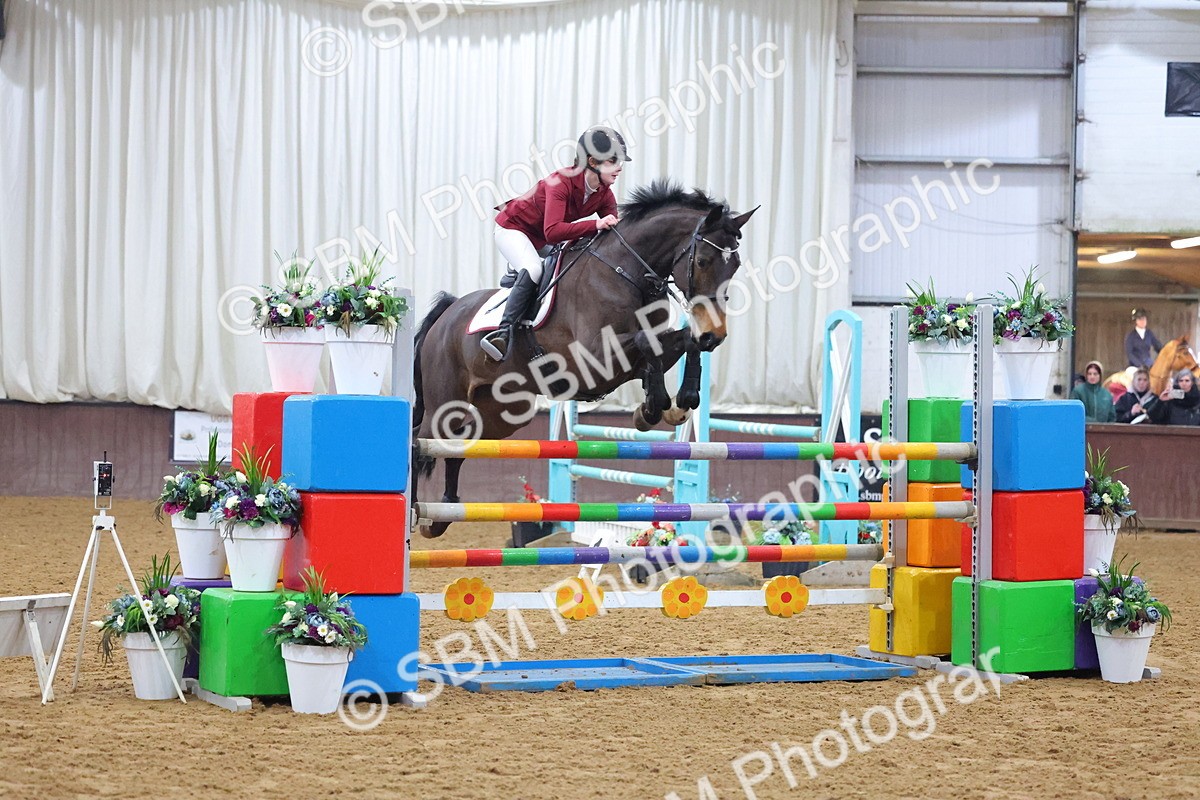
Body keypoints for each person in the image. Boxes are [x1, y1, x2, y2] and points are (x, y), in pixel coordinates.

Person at [481, 126, 630, 361]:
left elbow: (616, 234)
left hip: (541, 237)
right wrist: (595, 225)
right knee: (533, 269)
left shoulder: (604, 193)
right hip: (514, 229)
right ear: (591, 161)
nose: (620, 167)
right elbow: (553, 232)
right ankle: (504, 333)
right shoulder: (560, 183)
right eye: (613, 161)